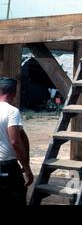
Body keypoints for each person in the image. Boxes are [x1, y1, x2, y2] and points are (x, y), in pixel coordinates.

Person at [0, 77, 33, 205]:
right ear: (14, 93)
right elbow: (15, 142)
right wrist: (27, 168)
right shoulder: (12, 111)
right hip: (6, 166)